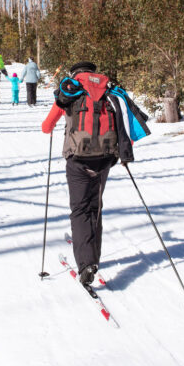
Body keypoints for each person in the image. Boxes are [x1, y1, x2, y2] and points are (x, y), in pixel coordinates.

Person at [41, 61, 135, 287]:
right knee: (95, 207)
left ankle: (86, 264)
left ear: (75, 74)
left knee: (80, 209)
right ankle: (94, 259)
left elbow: (46, 127)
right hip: (105, 158)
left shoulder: (71, 90)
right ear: (93, 73)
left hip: (79, 160)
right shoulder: (109, 91)